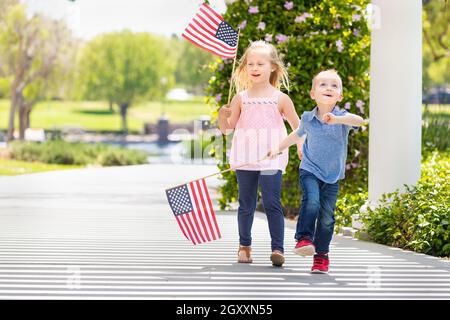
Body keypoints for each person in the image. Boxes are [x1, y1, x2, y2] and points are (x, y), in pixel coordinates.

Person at [267, 69, 364, 273]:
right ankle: (303, 239)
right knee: (311, 201)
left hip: (332, 176)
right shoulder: (308, 118)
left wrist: (338, 120)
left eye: (334, 86)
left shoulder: (342, 118)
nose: (329, 88)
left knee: (327, 217)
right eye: (323, 84)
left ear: (340, 96)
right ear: (313, 94)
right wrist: (278, 148)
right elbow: (296, 135)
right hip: (310, 169)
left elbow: (359, 121)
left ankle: (321, 256)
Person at [218, 41, 302, 267]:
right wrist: (221, 115)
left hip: (270, 158)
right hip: (245, 158)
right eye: (250, 64)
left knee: (272, 201)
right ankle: (244, 245)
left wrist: (301, 146)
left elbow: (299, 128)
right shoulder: (240, 98)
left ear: (273, 67)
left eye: (260, 63)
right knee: (246, 203)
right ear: (245, 68)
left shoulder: (280, 98)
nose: (255, 68)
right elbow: (227, 128)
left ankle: (277, 248)